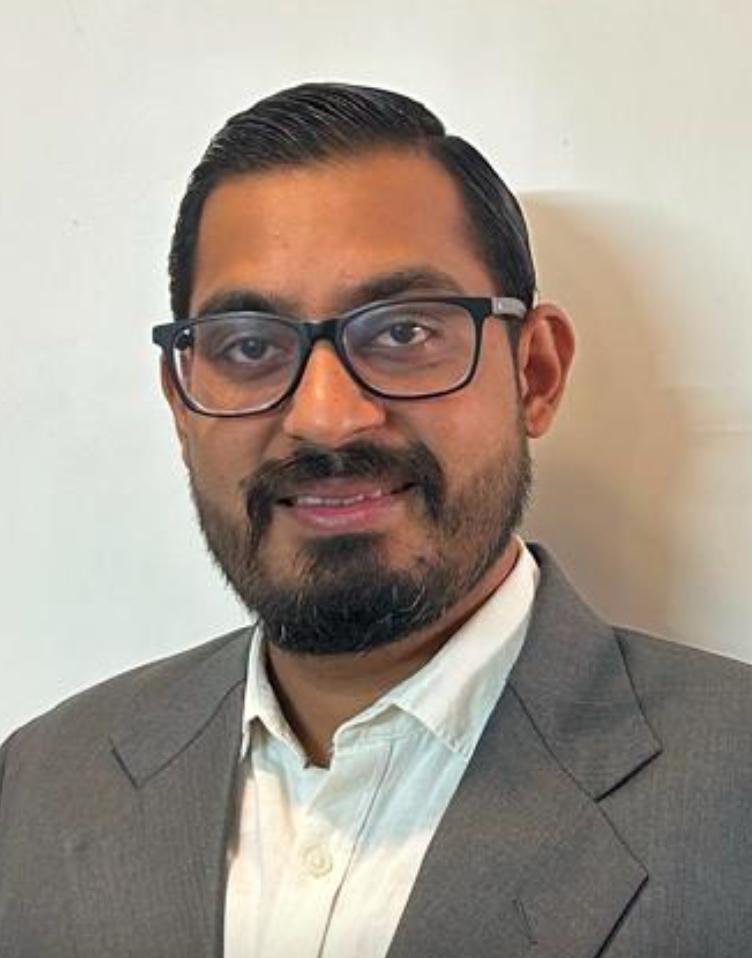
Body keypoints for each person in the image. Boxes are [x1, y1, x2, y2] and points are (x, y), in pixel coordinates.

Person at [1, 82, 751, 958]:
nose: (327, 418)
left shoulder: (731, 792)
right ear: (181, 403)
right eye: (250, 345)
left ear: (535, 374)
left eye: (402, 333)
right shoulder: (38, 785)